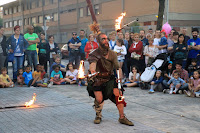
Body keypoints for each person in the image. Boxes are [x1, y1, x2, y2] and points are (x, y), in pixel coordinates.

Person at [87, 33, 133, 126]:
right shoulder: (94, 54)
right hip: (98, 80)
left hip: (110, 79)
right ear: (99, 41)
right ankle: (98, 115)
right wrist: (92, 71)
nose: (106, 41)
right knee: (99, 99)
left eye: (106, 39)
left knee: (119, 96)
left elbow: (117, 67)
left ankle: (122, 117)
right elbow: (93, 65)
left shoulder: (112, 53)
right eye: (103, 39)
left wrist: (119, 78)